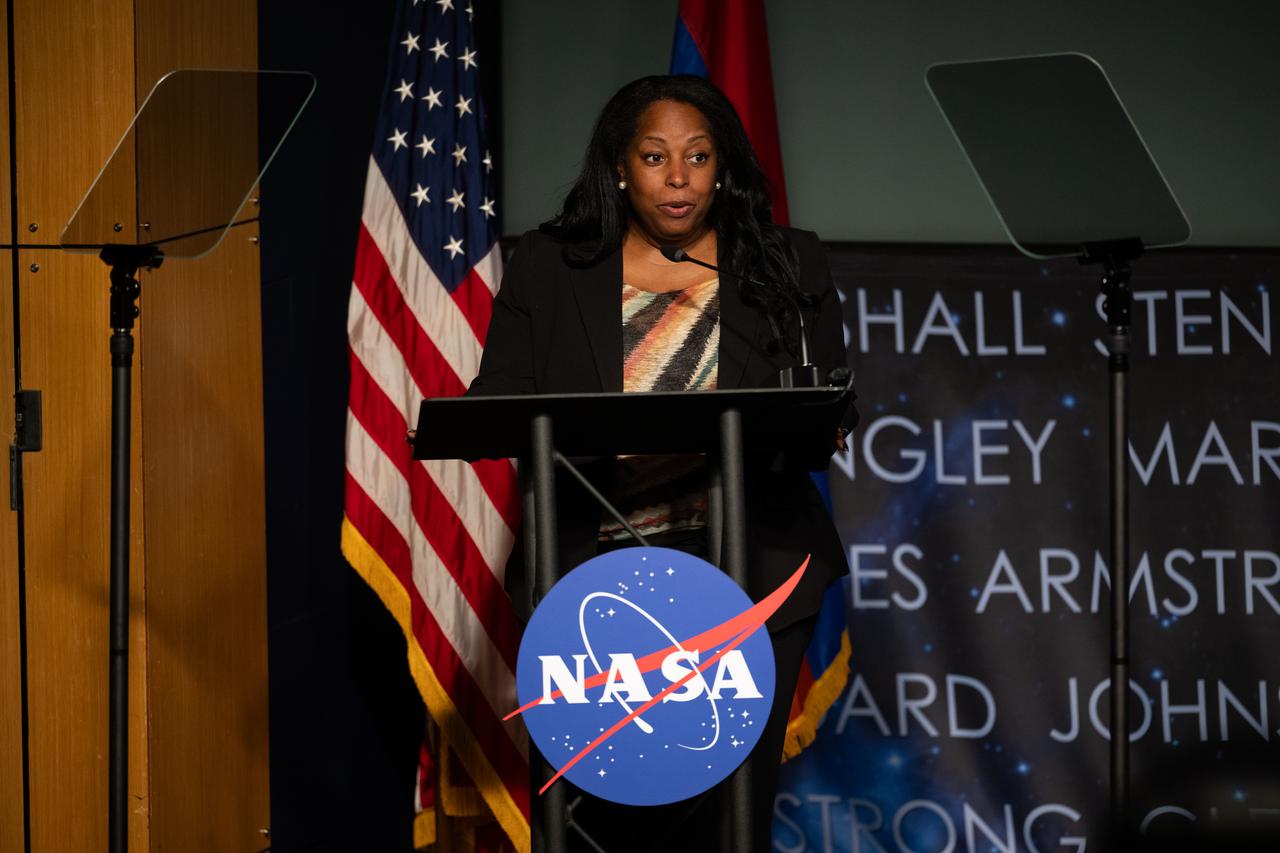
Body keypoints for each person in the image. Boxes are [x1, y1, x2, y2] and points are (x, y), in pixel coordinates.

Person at [468, 75, 854, 852]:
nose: (678, 178)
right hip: (598, 590)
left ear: (723, 168)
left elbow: (829, 406)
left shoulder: (786, 264)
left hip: (752, 582)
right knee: (612, 818)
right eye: (655, 157)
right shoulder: (550, 266)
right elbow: (495, 403)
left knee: (726, 817)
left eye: (699, 157)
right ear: (620, 167)